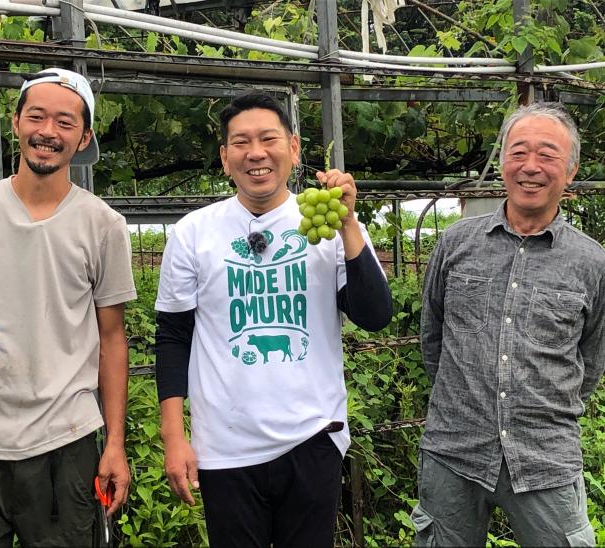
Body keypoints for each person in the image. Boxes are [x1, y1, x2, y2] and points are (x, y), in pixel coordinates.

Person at [154, 91, 392, 547]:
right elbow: (172, 337)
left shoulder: (323, 222)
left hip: (312, 439)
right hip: (225, 448)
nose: (256, 153)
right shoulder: (194, 233)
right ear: (225, 158)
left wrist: (348, 226)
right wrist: (174, 436)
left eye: (268, 139)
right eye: (241, 143)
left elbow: (374, 315)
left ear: (294, 149)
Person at [0, 68, 137, 547]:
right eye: (36, 116)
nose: (48, 131)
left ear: (84, 138)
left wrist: (116, 447)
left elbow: (112, 340)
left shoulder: (102, 225)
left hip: (66, 437)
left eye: (65, 123)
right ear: (16, 122)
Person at [414, 102, 605, 546]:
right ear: (502, 162)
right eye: (518, 152)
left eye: (547, 155)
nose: (530, 167)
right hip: (453, 451)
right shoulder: (456, 244)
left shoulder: (592, 262)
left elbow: (591, 360)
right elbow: (433, 339)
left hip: (545, 457)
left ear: (571, 169)